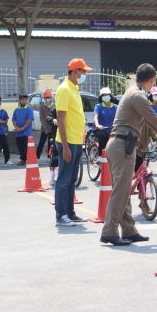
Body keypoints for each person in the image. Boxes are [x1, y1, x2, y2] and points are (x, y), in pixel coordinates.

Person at [100, 63, 157, 246]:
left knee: (124, 190)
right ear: (152, 79)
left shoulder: (134, 93)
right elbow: (154, 118)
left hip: (122, 145)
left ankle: (129, 230)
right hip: (122, 145)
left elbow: (148, 122)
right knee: (121, 192)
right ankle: (109, 231)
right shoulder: (138, 96)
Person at [54, 58, 93, 227]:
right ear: (75, 71)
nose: (84, 74)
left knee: (71, 180)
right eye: (83, 71)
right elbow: (61, 120)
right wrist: (65, 147)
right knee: (63, 180)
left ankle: (70, 213)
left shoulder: (74, 88)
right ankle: (61, 215)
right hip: (67, 142)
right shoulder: (64, 89)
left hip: (76, 141)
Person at [92, 87, 117, 157]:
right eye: (103, 95)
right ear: (101, 97)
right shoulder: (98, 106)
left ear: (110, 96)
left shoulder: (115, 107)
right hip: (100, 129)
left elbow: (120, 117)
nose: (105, 96)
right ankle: (101, 155)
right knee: (103, 137)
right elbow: (95, 116)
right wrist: (97, 125)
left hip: (111, 129)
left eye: (107, 95)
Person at [12, 93, 34, 166]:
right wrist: (16, 127)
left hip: (26, 132)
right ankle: (23, 159)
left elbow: (30, 119)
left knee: (26, 146)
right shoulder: (16, 110)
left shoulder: (29, 109)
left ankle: (28, 159)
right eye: (22, 99)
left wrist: (23, 127)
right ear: (19, 100)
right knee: (20, 146)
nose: (24, 101)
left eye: (25, 99)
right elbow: (14, 120)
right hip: (18, 132)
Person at [36, 90, 53, 162]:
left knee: (50, 143)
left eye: (49, 97)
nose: (47, 99)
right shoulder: (42, 106)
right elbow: (41, 118)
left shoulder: (53, 106)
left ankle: (49, 157)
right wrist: (44, 128)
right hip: (44, 128)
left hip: (51, 128)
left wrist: (50, 107)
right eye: (46, 98)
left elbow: (54, 116)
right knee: (41, 142)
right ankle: (37, 157)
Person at [46, 105, 59, 186]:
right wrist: (53, 119)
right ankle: (52, 174)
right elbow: (48, 118)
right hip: (56, 136)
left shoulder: (72, 108)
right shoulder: (56, 109)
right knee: (55, 154)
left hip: (70, 135)